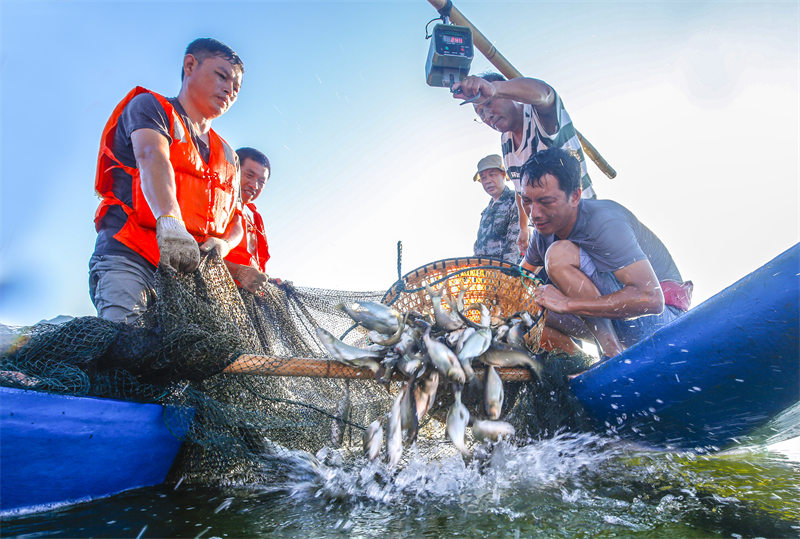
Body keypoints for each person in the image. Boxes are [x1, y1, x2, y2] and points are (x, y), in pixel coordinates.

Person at [90, 38, 245, 323]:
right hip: (131, 256)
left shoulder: (229, 156)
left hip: (187, 278)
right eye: (222, 76)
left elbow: (237, 218)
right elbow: (152, 157)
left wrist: (225, 245)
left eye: (236, 88)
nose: (229, 90)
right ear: (190, 65)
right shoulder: (151, 107)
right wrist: (170, 221)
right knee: (125, 339)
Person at [518, 148, 691, 360]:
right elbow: (516, 279)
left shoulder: (605, 222)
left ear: (575, 196)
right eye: (527, 201)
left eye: (546, 202)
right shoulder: (542, 231)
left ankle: (612, 355)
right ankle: (579, 362)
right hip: (610, 323)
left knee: (558, 255)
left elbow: (652, 299)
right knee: (523, 303)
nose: (534, 214)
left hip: (660, 322)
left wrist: (567, 304)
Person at [452, 73, 594, 255]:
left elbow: (546, 94)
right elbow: (521, 190)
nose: (487, 116)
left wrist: (495, 89)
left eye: (488, 103)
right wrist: (524, 228)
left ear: (509, 94)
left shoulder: (537, 116)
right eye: (480, 114)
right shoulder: (506, 141)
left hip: (582, 225)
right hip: (551, 237)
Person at [224, 147, 272, 294]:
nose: (254, 185)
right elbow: (195, 252)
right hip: (218, 292)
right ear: (234, 170)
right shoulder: (217, 204)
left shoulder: (253, 217)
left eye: (261, 182)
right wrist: (237, 271)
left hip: (246, 297)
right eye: (249, 175)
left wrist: (266, 282)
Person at [471, 154, 521, 264]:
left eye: (492, 175)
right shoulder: (486, 212)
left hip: (506, 273)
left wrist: (507, 273)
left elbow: (515, 243)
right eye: (483, 177)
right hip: (485, 275)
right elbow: (478, 248)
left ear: (503, 175)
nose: (488, 181)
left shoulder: (515, 200)